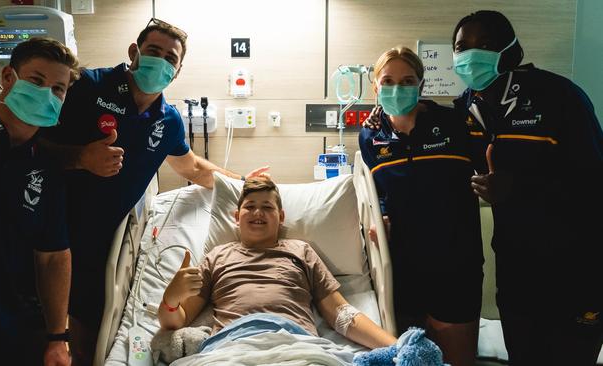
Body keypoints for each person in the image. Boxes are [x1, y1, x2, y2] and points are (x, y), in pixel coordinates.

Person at [39, 18, 269, 365]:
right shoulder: (87, 86)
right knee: (38, 324)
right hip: (52, 221)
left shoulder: (168, 120)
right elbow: (33, 145)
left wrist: (242, 183)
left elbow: (191, 167)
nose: (161, 62)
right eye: (153, 51)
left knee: (88, 324)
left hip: (102, 238)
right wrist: (80, 158)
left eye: (170, 58)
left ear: (177, 70)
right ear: (134, 52)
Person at [451, 10, 603, 366]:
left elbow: (595, 179)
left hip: (577, 267)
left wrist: (520, 188)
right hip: (517, 268)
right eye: (462, 47)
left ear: (511, 51)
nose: (471, 55)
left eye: (484, 45)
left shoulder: (558, 96)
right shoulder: (466, 109)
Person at [158, 177, 397, 352]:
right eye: (250, 206)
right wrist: (171, 299)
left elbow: (341, 313)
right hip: (231, 347)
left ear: (281, 217)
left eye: (267, 207)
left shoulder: (300, 251)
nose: (257, 212)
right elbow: (177, 321)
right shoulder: (217, 256)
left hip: (297, 345)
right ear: (236, 217)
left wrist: (396, 347)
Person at [0, 37, 78, 364]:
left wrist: (57, 337)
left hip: (1, 327)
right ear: (9, 78)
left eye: (57, 89)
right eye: (36, 81)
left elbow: (52, 257)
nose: (46, 94)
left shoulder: (44, 167)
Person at [357, 46, 483, 366]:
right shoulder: (371, 136)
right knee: (414, 357)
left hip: (456, 263)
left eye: (407, 80)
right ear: (375, 87)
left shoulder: (454, 123)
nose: (397, 89)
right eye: (388, 81)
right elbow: (380, 191)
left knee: (457, 360)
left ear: (421, 85)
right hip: (404, 267)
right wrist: (381, 215)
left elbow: (488, 164)